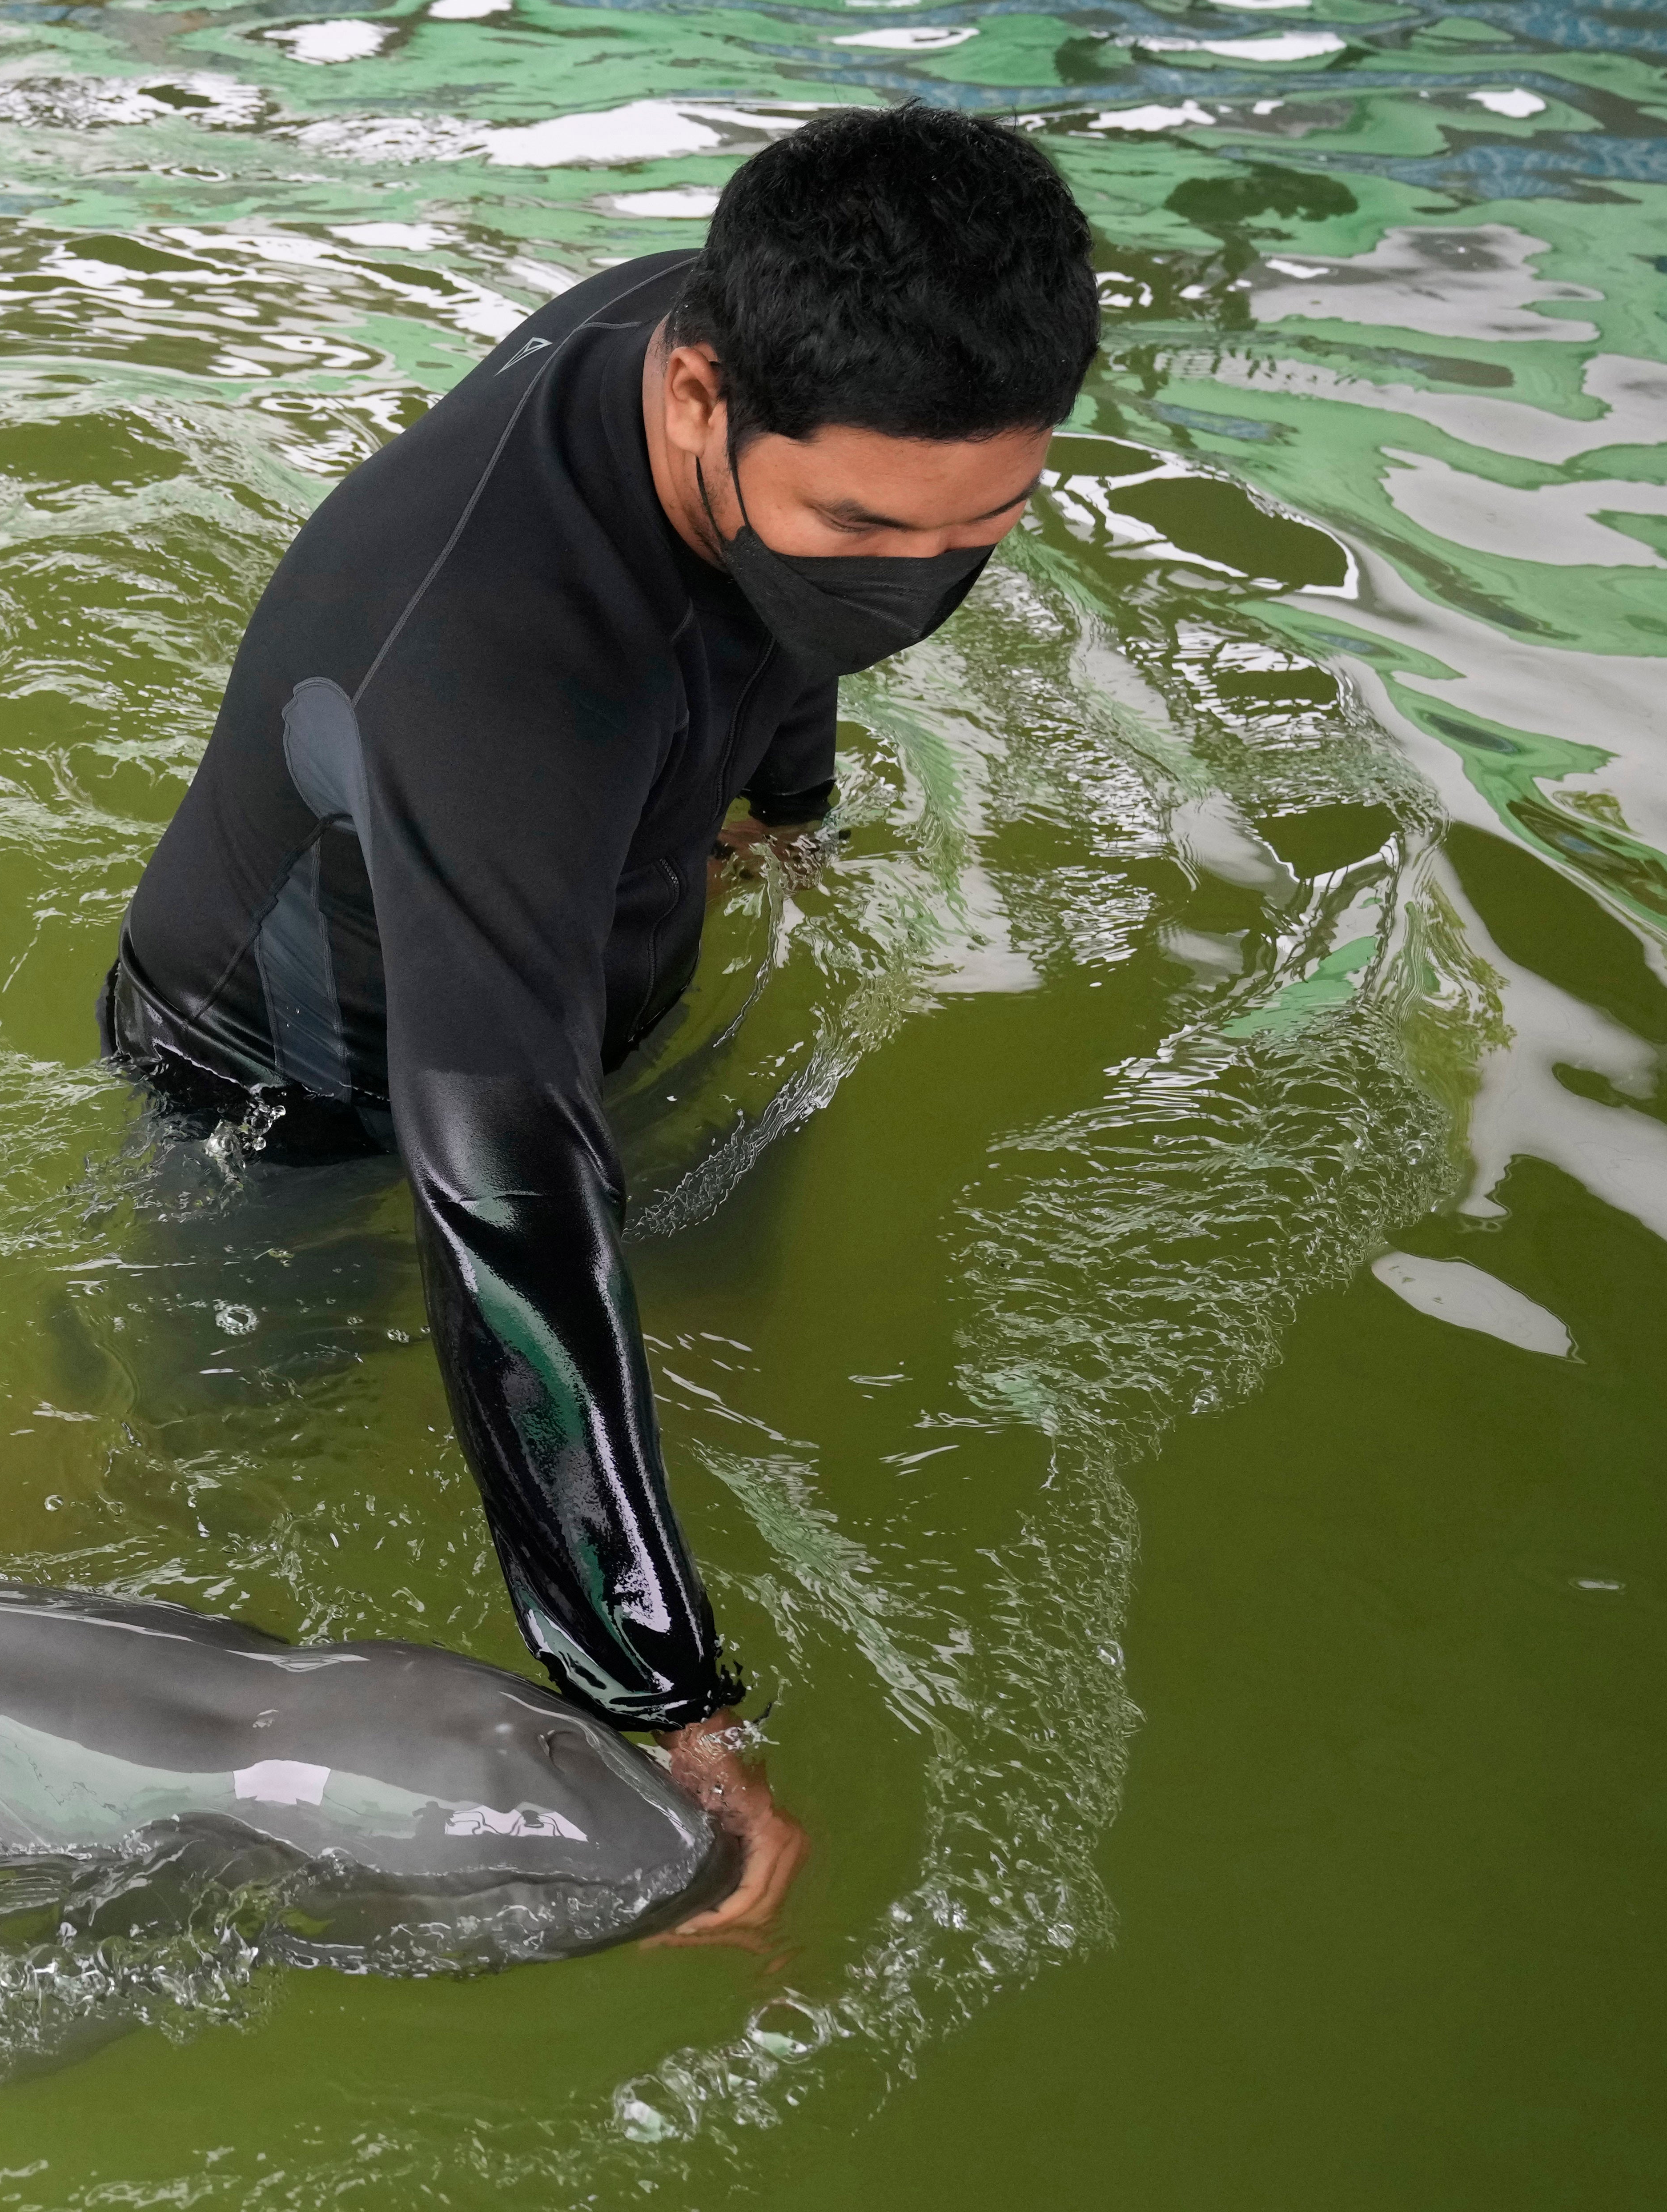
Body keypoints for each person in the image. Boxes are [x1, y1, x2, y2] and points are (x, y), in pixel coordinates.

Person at [96, 104, 1102, 1939]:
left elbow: (802, 620)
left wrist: (784, 805)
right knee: (184, 1463)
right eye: (869, 526)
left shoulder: (751, 355)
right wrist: (667, 1705)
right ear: (706, 396)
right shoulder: (480, 662)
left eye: (982, 527)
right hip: (295, 1065)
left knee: (709, 1343)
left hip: (589, 954)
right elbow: (505, 1202)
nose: (921, 576)